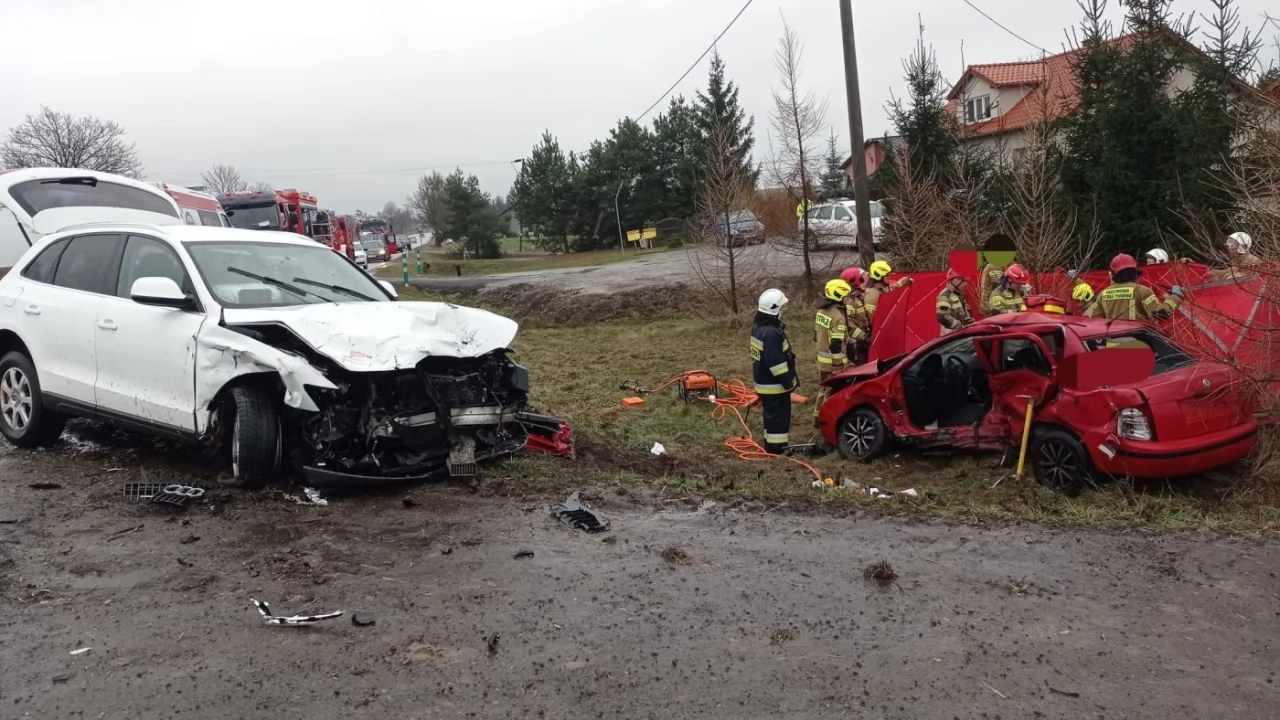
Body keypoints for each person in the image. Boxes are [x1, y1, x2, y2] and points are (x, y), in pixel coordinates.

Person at [751, 289, 799, 454]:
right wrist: (788, 383)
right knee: (779, 419)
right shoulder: (771, 334)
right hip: (775, 385)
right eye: (781, 308)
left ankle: (770, 444)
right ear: (774, 309)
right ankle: (777, 449)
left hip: (765, 383)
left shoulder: (760, 328)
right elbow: (776, 364)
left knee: (771, 416)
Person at [1084, 253, 1183, 321]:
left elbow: (1094, 319)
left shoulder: (1103, 294)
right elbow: (1160, 314)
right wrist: (1175, 296)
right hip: (1139, 343)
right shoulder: (1142, 291)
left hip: (1111, 343)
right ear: (1135, 272)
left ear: (1112, 274)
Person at [814, 279, 852, 425]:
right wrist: (837, 367)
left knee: (823, 389)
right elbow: (836, 345)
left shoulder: (821, 311)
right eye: (845, 296)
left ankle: (817, 418)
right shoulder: (839, 318)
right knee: (831, 393)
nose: (847, 299)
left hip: (821, 360)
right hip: (832, 363)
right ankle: (826, 421)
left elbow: (815, 334)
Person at [840, 267, 872, 365]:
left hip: (863, 341)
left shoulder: (859, 297)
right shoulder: (850, 302)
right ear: (855, 281)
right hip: (857, 344)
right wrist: (864, 337)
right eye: (862, 278)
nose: (866, 281)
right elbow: (848, 324)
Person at [936, 269, 973, 336]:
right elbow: (942, 317)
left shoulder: (958, 295)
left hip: (960, 336)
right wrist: (960, 325)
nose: (965, 284)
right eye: (964, 281)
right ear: (956, 280)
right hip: (951, 337)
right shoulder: (945, 295)